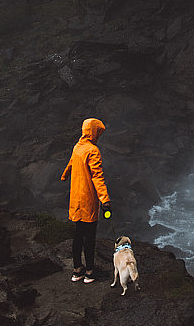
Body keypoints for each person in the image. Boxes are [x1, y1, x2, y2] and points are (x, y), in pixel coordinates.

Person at [61, 117, 112, 283]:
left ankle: (77, 270)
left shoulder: (77, 147)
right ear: (94, 132)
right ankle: (90, 272)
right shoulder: (93, 150)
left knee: (78, 234)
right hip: (88, 199)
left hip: (75, 198)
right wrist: (105, 200)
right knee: (89, 237)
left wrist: (64, 175)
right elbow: (97, 177)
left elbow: (71, 163)